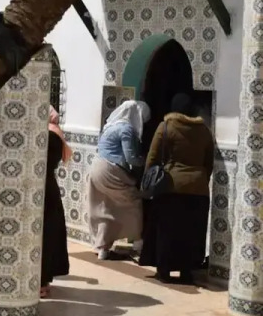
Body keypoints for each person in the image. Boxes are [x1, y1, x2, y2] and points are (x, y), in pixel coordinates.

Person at [139, 93, 215, 284]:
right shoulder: (204, 130)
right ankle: (186, 271)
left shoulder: (166, 126)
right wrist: (200, 180)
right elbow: (209, 162)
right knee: (191, 232)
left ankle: (164, 270)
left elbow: (152, 157)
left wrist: (149, 181)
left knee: (167, 230)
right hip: (198, 189)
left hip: (170, 186)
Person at [89, 100, 150, 260]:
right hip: (110, 170)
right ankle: (138, 244)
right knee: (133, 202)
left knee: (107, 207)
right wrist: (146, 161)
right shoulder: (126, 129)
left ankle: (102, 248)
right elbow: (131, 158)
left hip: (96, 168)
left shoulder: (110, 126)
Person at [40, 106, 71, 298]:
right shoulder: (55, 133)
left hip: (43, 189)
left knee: (44, 236)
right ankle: (43, 280)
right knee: (48, 234)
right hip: (49, 187)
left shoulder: (50, 135)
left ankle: (41, 282)